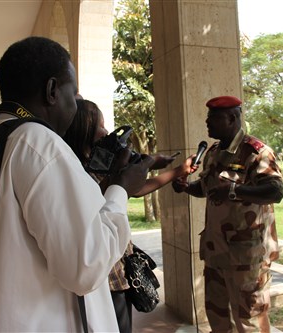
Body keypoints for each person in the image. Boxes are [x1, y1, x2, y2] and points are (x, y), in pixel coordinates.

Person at [0, 36, 154, 332]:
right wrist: (121, 189)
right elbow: (85, 267)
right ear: (52, 90)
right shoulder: (40, 144)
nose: (75, 105)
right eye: (72, 94)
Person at [64, 98, 197, 332]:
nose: (107, 132)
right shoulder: (85, 172)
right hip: (106, 276)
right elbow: (127, 189)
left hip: (115, 273)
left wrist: (176, 170)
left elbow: (133, 189)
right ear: (84, 129)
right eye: (102, 126)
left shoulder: (91, 165)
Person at [172, 96, 283, 333]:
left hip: (246, 257)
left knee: (249, 321)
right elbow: (206, 189)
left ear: (232, 118)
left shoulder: (256, 152)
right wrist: (185, 186)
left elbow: (275, 190)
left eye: (213, 117)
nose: (207, 122)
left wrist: (234, 191)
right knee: (218, 318)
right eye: (208, 116)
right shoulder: (213, 152)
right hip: (216, 252)